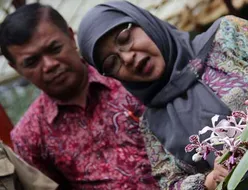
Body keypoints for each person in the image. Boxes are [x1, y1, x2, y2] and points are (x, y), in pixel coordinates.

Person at [78, 1, 248, 189]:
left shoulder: (230, 36)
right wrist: (210, 180)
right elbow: (171, 183)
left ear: (144, 23)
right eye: (112, 62)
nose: (127, 58)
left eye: (124, 39)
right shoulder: (152, 125)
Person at [0, 3, 159, 189]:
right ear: (16, 68)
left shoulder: (130, 73)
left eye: (54, 48)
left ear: (71, 36)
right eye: (32, 61)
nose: (49, 64)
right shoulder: (30, 136)